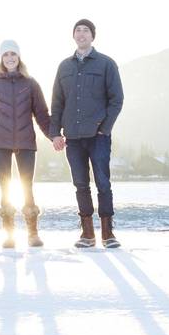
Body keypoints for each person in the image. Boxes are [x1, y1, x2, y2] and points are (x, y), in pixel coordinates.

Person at [50, 18, 124, 248]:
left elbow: (116, 100)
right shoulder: (64, 67)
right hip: (72, 136)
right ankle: (87, 234)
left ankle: (108, 233)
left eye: (86, 31)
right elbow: (57, 103)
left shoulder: (106, 64)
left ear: (93, 36)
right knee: (80, 184)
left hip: (98, 136)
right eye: (78, 31)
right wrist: (55, 133)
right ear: (74, 36)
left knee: (103, 182)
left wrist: (105, 128)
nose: (81, 34)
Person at [0, 39, 52, 248]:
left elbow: (42, 114)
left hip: (26, 142)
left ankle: (32, 233)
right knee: (5, 187)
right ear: (1, 59)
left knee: (27, 187)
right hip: (1, 143)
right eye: (6, 55)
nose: (10, 58)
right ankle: (9, 235)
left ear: (19, 57)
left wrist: (54, 135)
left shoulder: (31, 83)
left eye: (13, 54)